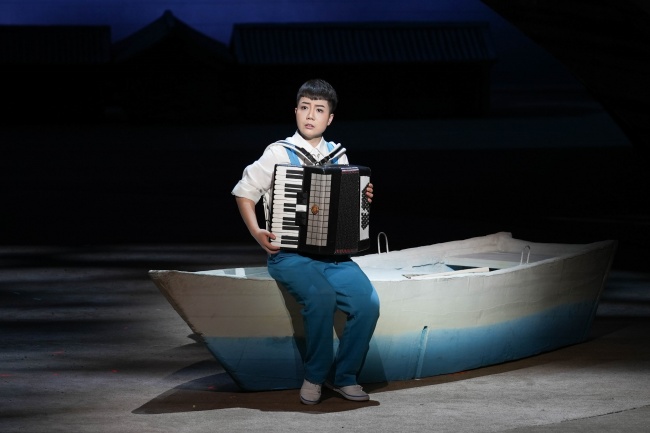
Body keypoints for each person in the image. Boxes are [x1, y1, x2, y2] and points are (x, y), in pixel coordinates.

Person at [231, 78, 380, 404]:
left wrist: (362, 196)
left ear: (330, 118)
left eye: (319, 110)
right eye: (304, 107)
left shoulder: (338, 155)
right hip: (290, 255)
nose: (311, 115)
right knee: (320, 298)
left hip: (334, 257)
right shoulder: (278, 152)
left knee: (368, 304)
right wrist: (257, 232)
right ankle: (315, 376)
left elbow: (348, 206)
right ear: (296, 111)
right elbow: (245, 192)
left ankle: (345, 377)